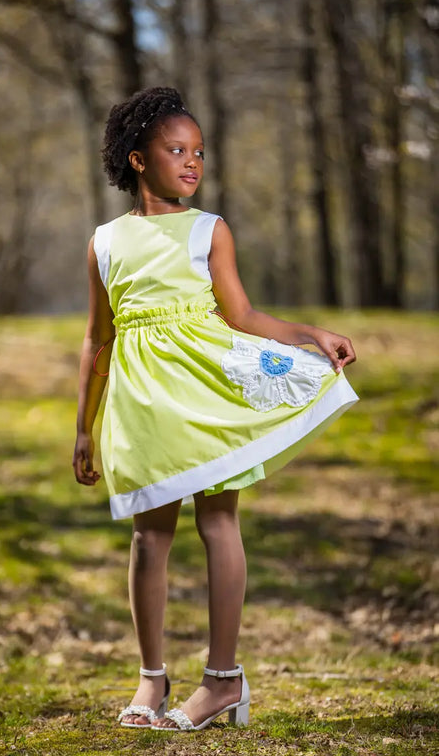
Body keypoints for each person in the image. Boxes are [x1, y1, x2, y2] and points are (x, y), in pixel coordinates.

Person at [73, 86, 358, 732]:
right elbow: (97, 338)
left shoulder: (209, 230)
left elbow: (243, 315)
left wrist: (309, 333)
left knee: (218, 522)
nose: (192, 162)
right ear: (137, 159)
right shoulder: (105, 243)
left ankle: (222, 680)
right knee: (149, 536)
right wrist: (83, 428)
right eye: (176, 150)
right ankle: (151, 679)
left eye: (198, 151)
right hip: (142, 407)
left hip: (207, 396)